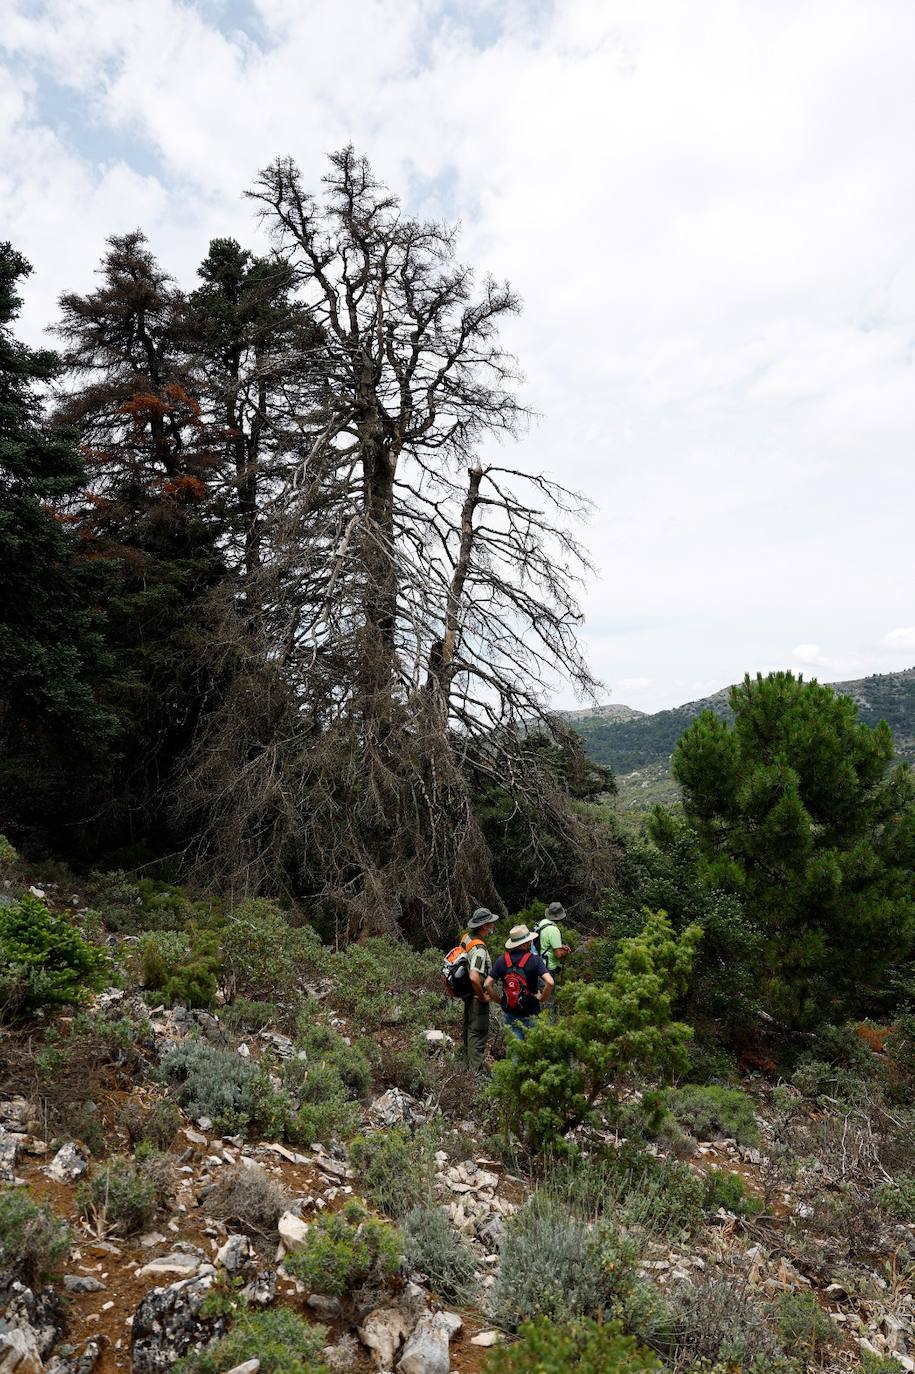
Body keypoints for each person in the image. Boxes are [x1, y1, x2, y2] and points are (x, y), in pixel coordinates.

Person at [485, 925, 554, 1042]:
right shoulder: (535, 960)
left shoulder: (502, 960)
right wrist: (542, 998)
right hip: (532, 1013)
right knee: (534, 1051)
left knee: (515, 1053)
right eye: (529, 940)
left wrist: (500, 1001)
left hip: (510, 1013)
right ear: (525, 943)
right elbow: (550, 982)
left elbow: (487, 984)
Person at [459, 907, 497, 1072]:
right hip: (476, 995)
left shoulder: (467, 938)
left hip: (466, 992)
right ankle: (476, 1074)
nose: (492, 926)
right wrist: (482, 996)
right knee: (478, 1033)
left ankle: (466, 1066)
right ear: (484, 926)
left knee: (468, 1028)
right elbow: (475, 976)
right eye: (490, 923)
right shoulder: (480, 949)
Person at [535, 901, 572, 1015]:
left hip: (538, 965)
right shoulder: (554, 930)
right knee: (548, 1000)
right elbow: (558, 954)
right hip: (548, 968)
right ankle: (547, 1024)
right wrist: (566, 951)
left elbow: (545, 943)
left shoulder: (542, 923)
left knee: (540, 996)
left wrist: (560, 946)